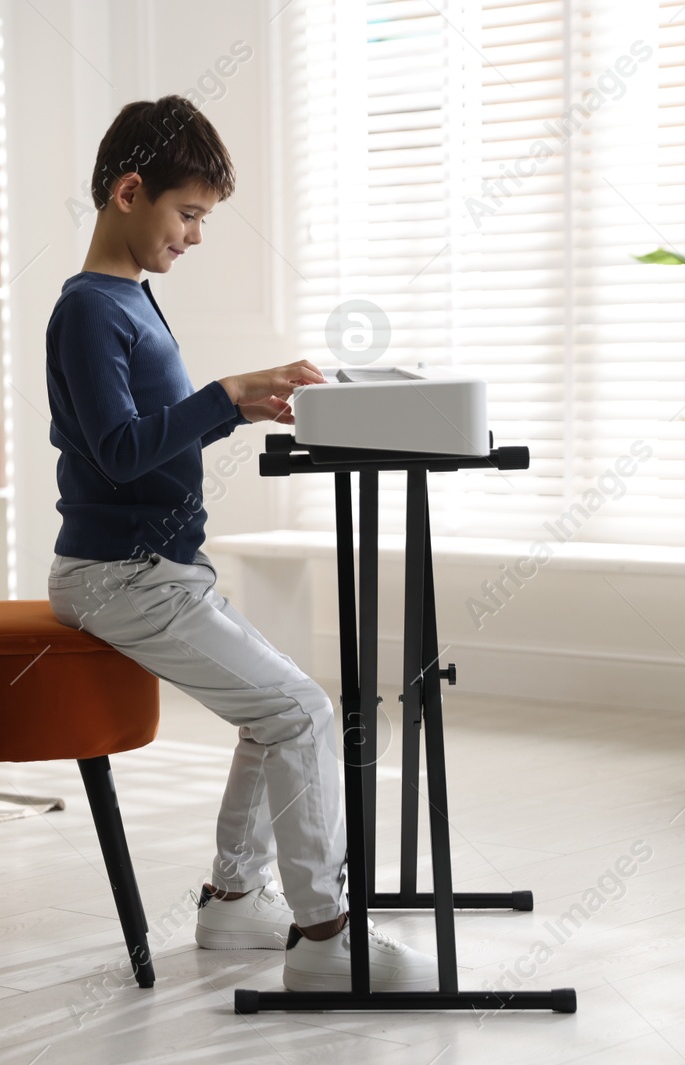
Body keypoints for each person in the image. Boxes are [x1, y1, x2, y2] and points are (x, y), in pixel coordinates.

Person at [43, 95, 436, 992]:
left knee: (281, 708)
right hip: (122, 576)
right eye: (188, 214)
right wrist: (226, 393)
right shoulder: (89, 311)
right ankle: (327, 938)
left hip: (155, 571)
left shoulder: (130, 302)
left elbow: (150, 438)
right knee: (300, 712)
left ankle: (231, 902)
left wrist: (243, 404)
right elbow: (118, 450)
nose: (195, 235)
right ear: (129, 191)